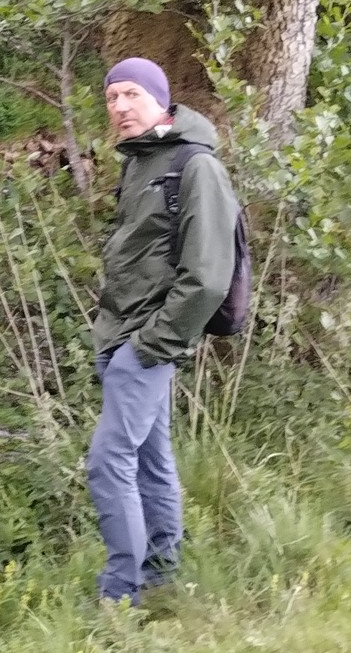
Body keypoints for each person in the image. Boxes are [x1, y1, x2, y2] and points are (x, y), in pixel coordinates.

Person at [88, 56, 239, 605]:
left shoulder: (195, 167)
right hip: (118, 334)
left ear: (160, 99)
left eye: (132, 94)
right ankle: (160, 577)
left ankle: (118, 596)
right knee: (152, 461)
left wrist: (151, 345)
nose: (120, 106)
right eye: (112, 97)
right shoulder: (139, 162)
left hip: (146, 343)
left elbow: (208, 276)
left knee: (108, 462)